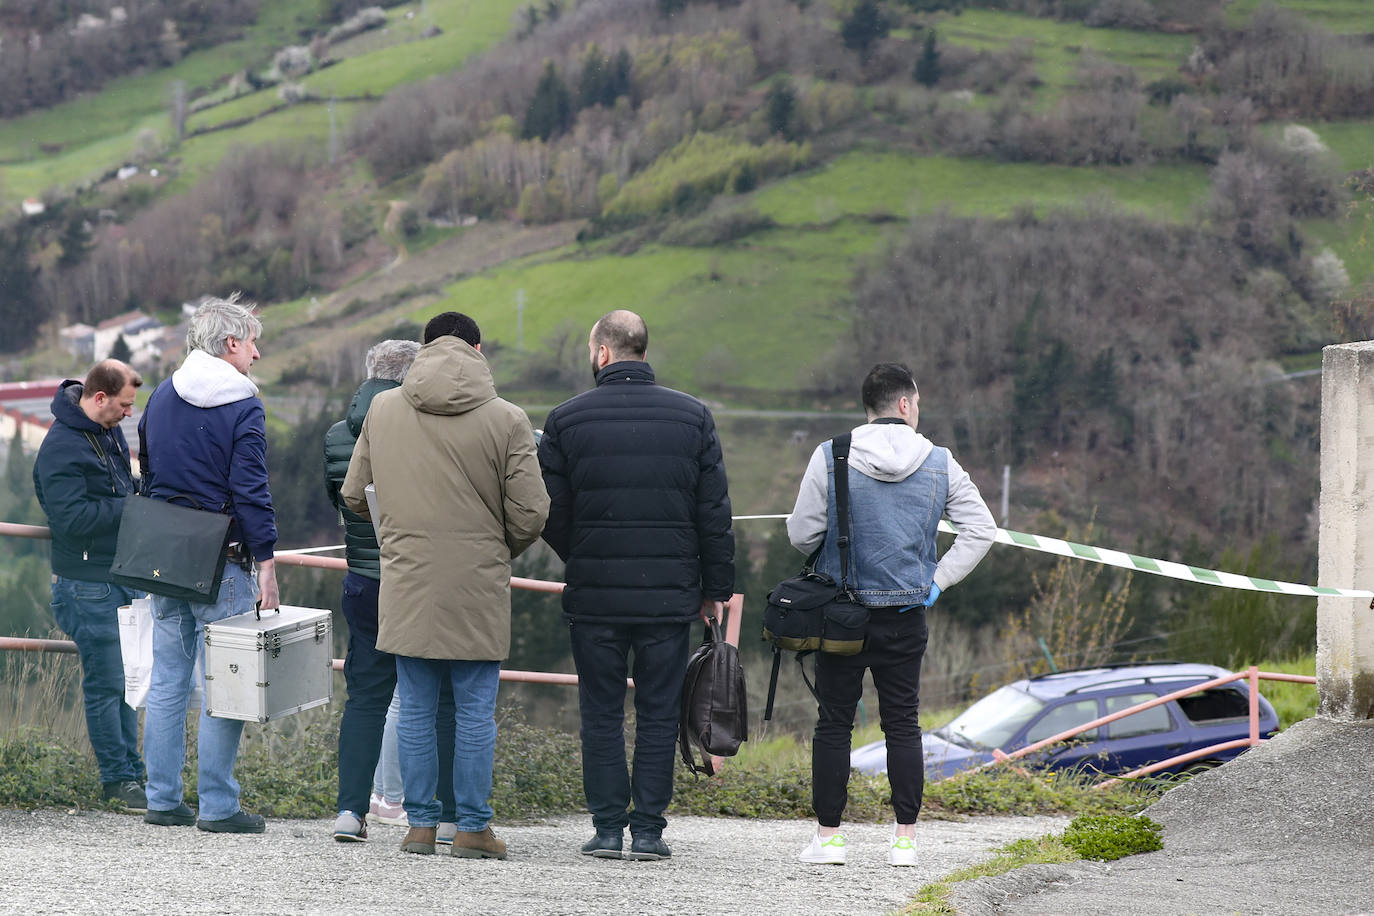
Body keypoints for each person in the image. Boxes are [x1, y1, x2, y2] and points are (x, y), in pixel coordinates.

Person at [342, 311, 549, 859]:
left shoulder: (384, 410)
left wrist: (398, 531)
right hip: (478, 582)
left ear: (424, 349)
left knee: (413, 709)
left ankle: (420, 826)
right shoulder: (508, 419)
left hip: (407, 578)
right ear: (478, 350)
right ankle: (473, 828)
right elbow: (532, 512)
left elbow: (354, 493)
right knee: (475, 712)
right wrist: (495, 548)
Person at [538, 309, 735, 862]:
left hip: (595, 594)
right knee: (658, 712)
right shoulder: (692, 417)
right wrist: (715, 587)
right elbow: (713, 512)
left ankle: (606, 828)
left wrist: (581, 553)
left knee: (600, 712)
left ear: (602, 353)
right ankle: (647, 830)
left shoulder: (566, 420)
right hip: (669, 596)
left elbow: (549, 509)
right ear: (643, 351)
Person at [786, 362, 995, 867]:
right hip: (905, 613)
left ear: (869, 406)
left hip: (842, 615)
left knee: (834, 723)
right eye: (917, 403)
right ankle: (904, 842)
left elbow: (800, 534)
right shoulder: (942, 462)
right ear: (905, 404)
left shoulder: (831, 454)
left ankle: (830, 839)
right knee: (902, 724)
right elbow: (980, 530)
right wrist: (937, 582)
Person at [138, 294, 279, 835]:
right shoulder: (242, 404)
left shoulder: (160, 395)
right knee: (228, 684)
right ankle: (218, 806)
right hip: (223, 558)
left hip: (166, 555)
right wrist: (266, 563)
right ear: (230, 345)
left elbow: (148, 471)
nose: (257, 354)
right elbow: (251, 490)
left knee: (170, 680)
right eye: (251, 343)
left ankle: (163, 799)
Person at [324, 339, 458, 844]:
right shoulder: (426, 428)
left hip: (364, 579)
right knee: (438, 695)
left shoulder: (338, 435)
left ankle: (350, 813)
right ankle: (443, 815)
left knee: (365, 699)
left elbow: (340, 498)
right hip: (420, 578)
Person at [33, 359, 147, 810]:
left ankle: (132, 774)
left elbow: (117, 487)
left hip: (114, 574)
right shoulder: (61, 447)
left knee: (127, 681)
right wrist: (132, 508)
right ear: (99, 398)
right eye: (123, 405)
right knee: (107, 683)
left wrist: (138, 493)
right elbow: (72, 520)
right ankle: (118, 780)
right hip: (85, 583)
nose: (128, 414)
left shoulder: (105, 430)